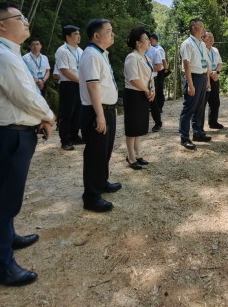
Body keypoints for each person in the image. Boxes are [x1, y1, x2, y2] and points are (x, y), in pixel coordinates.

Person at [0, 2, 55, 287]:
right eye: (20, 18)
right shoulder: (1, 56)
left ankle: (7, 238)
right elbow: (25, 96)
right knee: (5, 201)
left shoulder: (5, 53)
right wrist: (49, 116)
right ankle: (1, 267)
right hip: (9, 134)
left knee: (5, 193)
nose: (26, 22)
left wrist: (39, 118)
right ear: (1, 24)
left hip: (11, 132)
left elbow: (24, 93)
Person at [78, 18, 121, 212]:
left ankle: (101, 182)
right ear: (96, 35)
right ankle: (91, 197)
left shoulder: (101, 53)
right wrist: (100, 115)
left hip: (106, 109)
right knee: (95, 154)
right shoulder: (91, 55)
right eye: (109, 31)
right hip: (97, 111)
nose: (113, 34)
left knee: (105, 151)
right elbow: (93, 86)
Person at [124, 26, 155, 169]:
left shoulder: (146, 57)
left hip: (144, 93)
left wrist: (152, 90)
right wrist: (147, 90)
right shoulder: (132, 57)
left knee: (140, 126)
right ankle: (130, 156)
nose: (149, 41)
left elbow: (150, 76)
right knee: (132, 127)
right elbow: (133, 79)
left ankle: (137, 153)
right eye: (146, 39)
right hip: (134, 95)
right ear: (138, 43)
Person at [178, 18, 211, 150]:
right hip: (193, 77)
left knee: (200, 107)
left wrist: (207, 80)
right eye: (201, 26)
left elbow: (206, 63)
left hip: (202, 77)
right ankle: (184, 137)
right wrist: (190, 85)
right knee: (189, 108)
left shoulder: (202, 44)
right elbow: (186, 65)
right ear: (194, 28)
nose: (203, 29)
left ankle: (198, 132)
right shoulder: (187, 44)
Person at [55, 25, 83, 150]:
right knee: (66, 113)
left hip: (79, 84)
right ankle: (65, 140)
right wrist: (81, 81)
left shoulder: (80, 50)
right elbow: (65, 71)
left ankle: (74, 136)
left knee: (77, 112)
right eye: (76, 34)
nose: (79, 36)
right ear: (68, 37)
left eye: (78, 34)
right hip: (68, 85)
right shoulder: (62, 51)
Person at [202, 30, 224, 129]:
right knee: (202, 103)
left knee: (215, 101)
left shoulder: (215, 50)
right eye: (209, 37)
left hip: (215, 77)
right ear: (203, 38)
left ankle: (213, 122)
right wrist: (209, 73)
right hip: (205, 78)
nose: (211, 39)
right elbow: (202, 64)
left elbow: (220, 63)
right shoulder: (201, 50)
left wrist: (216, 72)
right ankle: (199, 126)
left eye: (212, 37)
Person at [146, 39, 163, 132]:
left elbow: (159, 67)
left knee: (153, 102)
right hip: (140, 80)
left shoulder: (155, 51)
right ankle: (143, 124)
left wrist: (145, 70)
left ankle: (158, 123)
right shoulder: (136, 52)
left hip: (151, 79)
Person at [150, 34, 167, 112]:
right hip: (155, 71)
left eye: (151, 41)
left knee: (159, 88)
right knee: (155, 88)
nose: (150, 42)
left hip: (160, 71)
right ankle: (155, 106)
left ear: (156, 41)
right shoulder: (152, 49)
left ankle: (160, 106)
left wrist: (165, 69)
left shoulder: (159, 49)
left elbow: (163, 61)